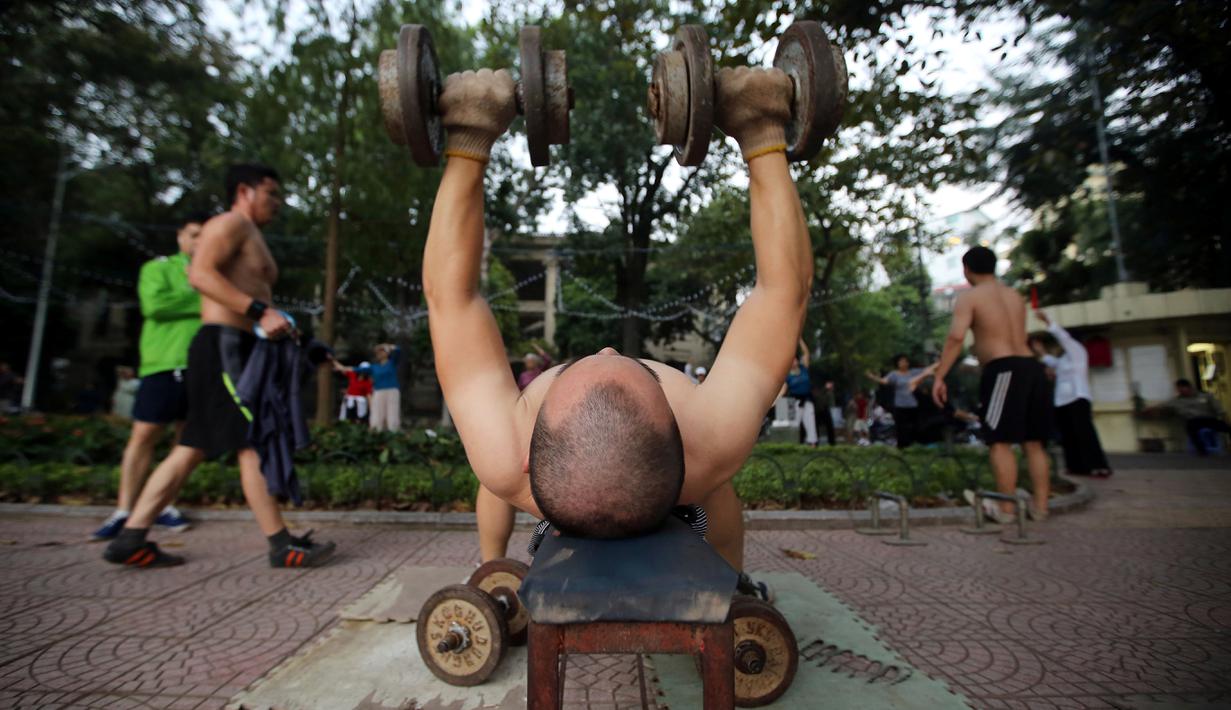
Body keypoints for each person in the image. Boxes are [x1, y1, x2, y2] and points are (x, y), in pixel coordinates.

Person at [424, 66, 811, 585]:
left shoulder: (505, 455)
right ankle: (733, 581)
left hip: (530, 470)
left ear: (528, 458)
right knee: (717, 486)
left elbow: (451, 298)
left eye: (578, 367)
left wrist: (469, 138)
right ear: (682, 443)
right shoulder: (709, 444)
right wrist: (762, 133)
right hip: (694, 475)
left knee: (489, 476)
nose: (607, 350)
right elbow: (783, 292)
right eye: (636, 367)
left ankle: (490, 566)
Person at [102, 163, 335, 568]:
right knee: (252, 440)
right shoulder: (229, 224)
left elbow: (255, 298)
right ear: (244, 191)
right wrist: (260, 311)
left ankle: (131, 538)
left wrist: (302, 342)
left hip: (240, 346)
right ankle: (281, 545)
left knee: (192, 446)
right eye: (271, 193)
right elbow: (200, 275)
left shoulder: (251, 234)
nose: (278, 202)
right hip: (223, 346)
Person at [92, 214, 209, 540]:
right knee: (144, 433)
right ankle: (124, 510)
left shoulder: (217, 271)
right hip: (162, 364)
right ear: (180, 236)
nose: (200, 241)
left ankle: (164, 505)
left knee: (187, 440)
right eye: (194, 234)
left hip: (202, 366)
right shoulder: (159, 268)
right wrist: (205, 295)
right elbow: (155, 305)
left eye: (205, 236)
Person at [933, 246, 1052, 522]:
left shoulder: (970, 297)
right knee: (1034, 443)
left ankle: (1006, 510)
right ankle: (1041, 507)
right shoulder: (1014, 295)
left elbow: (956, 337)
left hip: (1004, 369)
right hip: (1032, 367)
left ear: (966, 269)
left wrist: (939, 376)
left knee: (999, 441)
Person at [1029, 311, 1112, 476]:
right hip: (1062, 401)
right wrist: (1041, 352)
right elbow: (1053, 363)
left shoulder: (1077, 351)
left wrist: (1048, 321)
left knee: (1084, 433)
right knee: (1068, 435)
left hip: (1077, 398)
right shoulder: (1065, 359)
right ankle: (1076, 466)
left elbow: (1064, 338)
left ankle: (1097, 466)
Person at [1143, 379, 1231, 456]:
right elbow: (1163, 405)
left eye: (1182, 388)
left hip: (1209, 419)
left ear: (1189, 387)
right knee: (1191, 428)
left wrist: (1224, 417)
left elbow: (1218, 408)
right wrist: (1150, 409)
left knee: (1227, 428)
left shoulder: (1205, 396)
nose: (1181, 391)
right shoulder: (1177, 401)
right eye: (1179, 389)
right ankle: (1202, 451)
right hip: (1193, 420)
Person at [866, 356, 934, 448]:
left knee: (915, 425)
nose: (902, 363)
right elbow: (885, 381)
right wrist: (873, 377)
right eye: (900, 362)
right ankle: (902, 446)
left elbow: (926, 371)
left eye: (904, 361)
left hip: (913, 404)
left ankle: (915, 445)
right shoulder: (894, 374)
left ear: (908, 363)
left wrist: (939, 363)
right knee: (901, 427)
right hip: (900, 405)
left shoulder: (913, 372)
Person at [786, 338, 819, 446]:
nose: (793, 362)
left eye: (794, 359)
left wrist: (799, 339)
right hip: (793, 401)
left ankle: (812, 444)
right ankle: (791, 446)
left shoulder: (803, 368)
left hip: (807, 399)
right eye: (791, 360)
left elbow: (806, 353)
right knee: (793, 424)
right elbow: (783, 389)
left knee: (810, 423)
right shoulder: (787, 375)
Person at [368, 343, 401, 432]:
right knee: (377, 412)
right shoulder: (374, 367)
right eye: (378, 353)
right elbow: (358, 370)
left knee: (392, 412)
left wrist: (387, 346)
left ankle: (394, 432)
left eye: (382, 352)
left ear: (387, 353)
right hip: (378, 390)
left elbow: (398, 350)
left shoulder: (392, 362)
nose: (379, 354)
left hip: (392, 390)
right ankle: (376, 431)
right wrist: (342, 368)